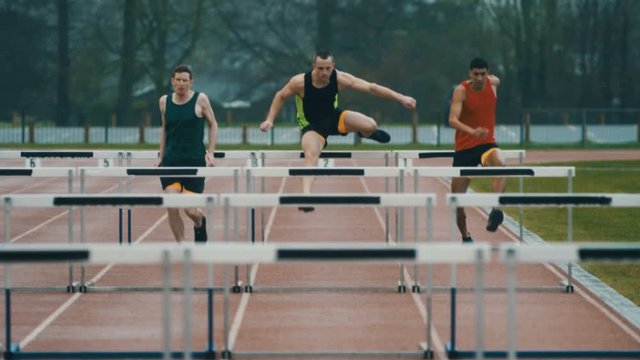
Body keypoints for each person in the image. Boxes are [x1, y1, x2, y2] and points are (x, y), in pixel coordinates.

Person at [259, 51, 416, 212]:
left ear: (333, 66)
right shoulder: (300, 82)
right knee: (311, 155)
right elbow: (280, 96)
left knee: (371, 124)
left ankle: (365, 133)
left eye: (328, 68)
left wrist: (401, 98)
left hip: (335, 118)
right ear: (314, 66)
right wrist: (270, 119)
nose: (325, 73)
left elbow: (371, 88)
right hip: (312, 127)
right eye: (320, 69)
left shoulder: (340, 78)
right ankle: (306, 196)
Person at [155, 64, 218, 242]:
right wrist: (161, 155)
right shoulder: (164, 101)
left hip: (194, 162)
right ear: (172, 81)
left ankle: (199, 222)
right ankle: (182, 247)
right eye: (178, 80)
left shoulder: (200, 100)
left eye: (185, 80)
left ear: (191, 82)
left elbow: (213, 124)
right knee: (171, 202)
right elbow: (164, 129)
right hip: (171, 162)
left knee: (190, 210)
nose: (181, 84)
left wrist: (211, 152)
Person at [448, 57, 505, 243]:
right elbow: (452, 120)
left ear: (487, 73)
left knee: (501, 164)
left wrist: (494, 79)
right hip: (464, 150)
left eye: (483, 74)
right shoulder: (461, 91)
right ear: (470, 73)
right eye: (476, 74)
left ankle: (496, 210)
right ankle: (466, 237)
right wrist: (473, 131)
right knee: (457, 201)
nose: (480, 78)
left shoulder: (492, 84)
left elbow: (496, 80)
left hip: (486, 145)